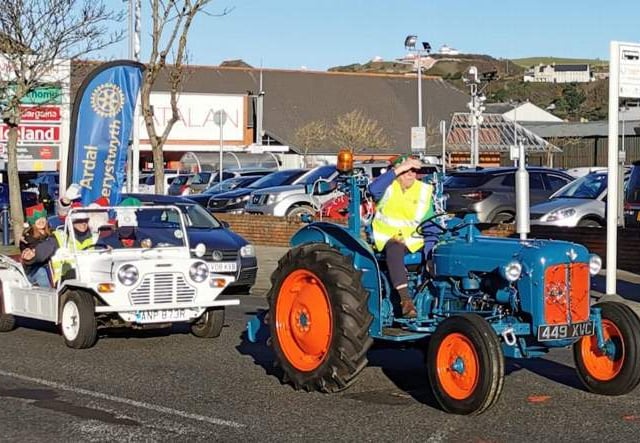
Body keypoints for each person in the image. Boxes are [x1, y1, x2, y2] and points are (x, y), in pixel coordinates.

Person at [369, 154, 435, 318]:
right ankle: (406, 301)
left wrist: (430, 253)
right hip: (388, 238)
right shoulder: (388, 188)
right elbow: (373, 189)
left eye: (414, 170)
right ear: (397, 171)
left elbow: (430, 225)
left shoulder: (424, 191)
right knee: (395, 248)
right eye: (407, 170)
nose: (411, 173)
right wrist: (399, 168)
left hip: (413, 241)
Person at [19, 204, 56, 287]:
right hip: (33, 269)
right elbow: (33, 256)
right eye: (37, 219)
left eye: (42, 218)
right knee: (42, 273)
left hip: (51, 264)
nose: (41, 221)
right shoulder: (27, 237)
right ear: (32, 222)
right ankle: (48, 295)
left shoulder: (52, 232)